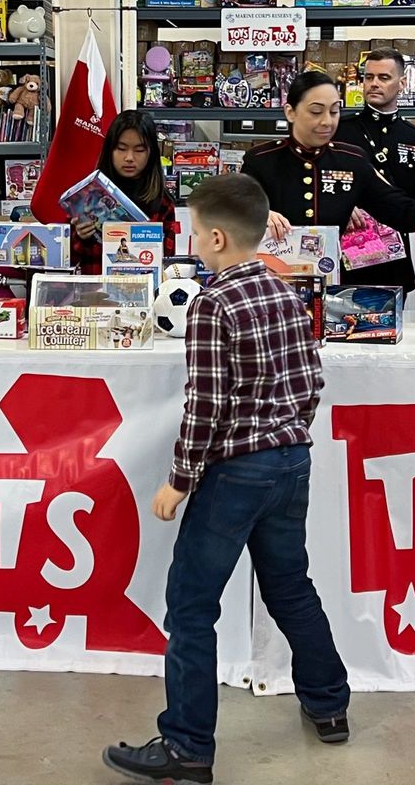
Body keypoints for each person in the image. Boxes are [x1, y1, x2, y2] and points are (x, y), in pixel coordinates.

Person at [103, 174, 350, 784]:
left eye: (192, 233)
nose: (191, 242)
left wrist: (179, 481)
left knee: (190, 605)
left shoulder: (213, 304)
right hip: (293, 461)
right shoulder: (286, 292)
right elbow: (312, 383)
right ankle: (330, 703)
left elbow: (205, 404)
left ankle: (186, 747)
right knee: (291, 587)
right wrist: (286, 430)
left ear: (215, 238)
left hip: (236, 472)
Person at [244, 71, 415, 250]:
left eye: (334, 112)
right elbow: (227, 212)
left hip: (330, 279)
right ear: (290, 112)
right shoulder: (261, 160)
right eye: (316, 112)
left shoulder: (351, 159)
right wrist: (259, 214)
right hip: (272, 282)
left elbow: (397, 208)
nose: (327, 122)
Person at [334, 49, 415, 289]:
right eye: (368, 77)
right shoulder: (340, 131)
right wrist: (341, 205)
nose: (373, 84)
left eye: (383, 78)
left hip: (397, 258)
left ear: (402, 83)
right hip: (349, 250)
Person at [71, 109, 179, 273]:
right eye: (121, 148)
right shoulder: (87, 196)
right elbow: (66, 263)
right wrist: (79, 237)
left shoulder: (163, 203)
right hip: (93, 293)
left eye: (139, 150)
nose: (129, 157)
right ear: (110, 151)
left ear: (151, 153)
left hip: (144, 292)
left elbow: (167, 263)